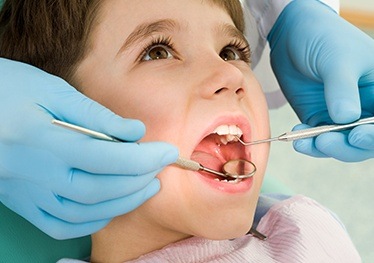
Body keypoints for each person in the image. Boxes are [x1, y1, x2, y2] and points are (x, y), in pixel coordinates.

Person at [1, 0, 361, 262]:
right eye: (157, 52)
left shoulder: (303, 227)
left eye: (231, 50)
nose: (230, 75)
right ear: (62, 110)